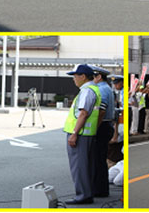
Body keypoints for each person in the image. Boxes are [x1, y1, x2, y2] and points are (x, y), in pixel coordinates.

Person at [63, 64, 102, 205]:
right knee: (86, 165)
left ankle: (82, 195)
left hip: (80, 134)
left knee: (79, 166)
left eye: (75, 76)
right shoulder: (93, 89)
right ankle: (87, 193)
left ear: (83, 76)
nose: (74, 79)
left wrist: (74, 134)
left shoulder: (87, 91)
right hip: (86, 133)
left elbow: (83, 113)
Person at [90, 66, 115, 198]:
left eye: (93, 76)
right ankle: (101, 188)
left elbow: (102, 110)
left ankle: (99, 189)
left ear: (99, 77)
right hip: (107, 125)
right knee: (100, 159)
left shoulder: (102, 89)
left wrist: (94, 127)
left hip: (102, 125)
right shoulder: (108, 88)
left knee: (97, 159)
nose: (92, 79)